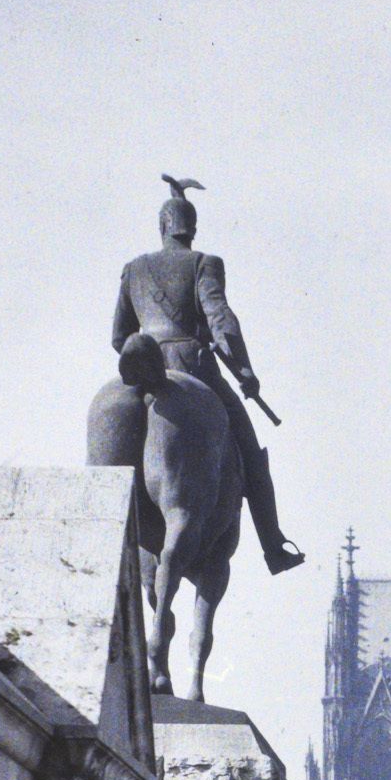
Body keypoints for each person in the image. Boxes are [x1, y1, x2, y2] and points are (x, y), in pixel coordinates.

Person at [112, 175, 304, 574]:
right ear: (191, 230)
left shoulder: (133, 269)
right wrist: (245, 370)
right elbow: (221, 318)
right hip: (193, 365)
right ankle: (275, 547)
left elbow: (118, 336)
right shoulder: (204, 264)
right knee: (251, 454)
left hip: (142, 368)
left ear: (163, 227)